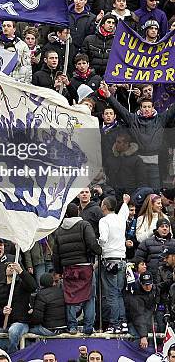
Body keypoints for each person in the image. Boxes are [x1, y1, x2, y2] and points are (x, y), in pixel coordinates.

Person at [100, 80, 175, 190]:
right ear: (140, 108)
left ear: (153, 108)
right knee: (139, 189)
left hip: (155, 161)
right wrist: (108, 95)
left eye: (149, 107)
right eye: (144, 107)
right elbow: (119, 108)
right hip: (137, 161)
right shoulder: (133, 119)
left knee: (155, 190)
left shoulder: (160, 119)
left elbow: (173, 110)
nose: (147, 109)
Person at [53, 203, 101, 335]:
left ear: (66, 214)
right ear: (78, 212)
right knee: (89, 297)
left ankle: (72, 326)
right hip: (85, 267)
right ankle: (88, 327)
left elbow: (55, 254)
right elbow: (92, 243)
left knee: (70, 298)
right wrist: (99, 250)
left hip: (68, 269)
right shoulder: (84, 225)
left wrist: (58, 271)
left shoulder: (59, 230)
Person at [99, 194, 130, 334]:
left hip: (109, 260)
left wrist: (97, 242)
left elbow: (103, 239)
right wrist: (124, 202)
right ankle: (123, 322)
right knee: (118, 293)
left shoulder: (104, 221)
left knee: (111, 294)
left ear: (104, 206)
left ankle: (114, 324)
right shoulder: (121, 219)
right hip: (122, 260)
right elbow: (125, 211)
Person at [0, 261, 37, 352]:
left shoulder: (23, 285)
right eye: (9, 266)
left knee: (14, 331)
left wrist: (21, 271)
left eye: (13, 266)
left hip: (21, 323)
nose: (11, 267)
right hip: (5, 325)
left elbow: (33, 286)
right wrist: (2, 311)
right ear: (5, 270)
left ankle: (13, 355)